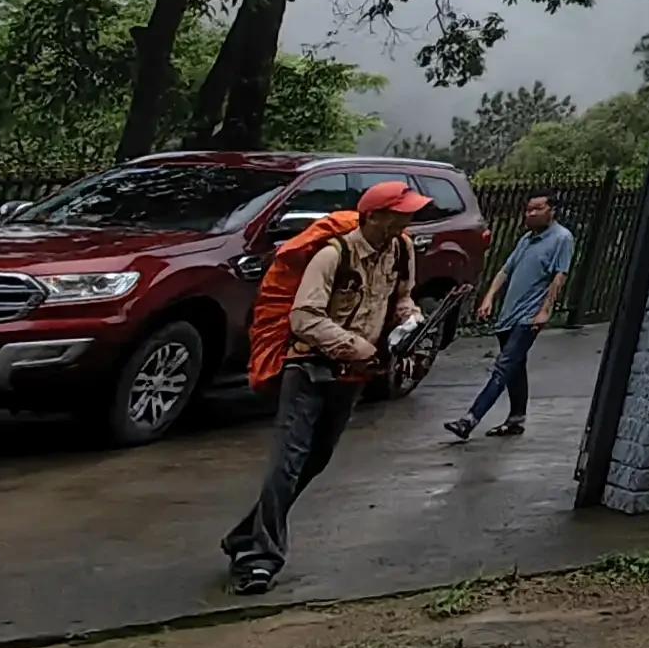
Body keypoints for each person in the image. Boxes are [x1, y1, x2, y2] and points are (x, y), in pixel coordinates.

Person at [221, 178, 428, 594]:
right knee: (288, 462)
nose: (409, 218)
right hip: (309, 369)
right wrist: (356, 346)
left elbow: (402, 296)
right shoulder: (332, 255)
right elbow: (305, 319)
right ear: (376, 216)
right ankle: (260, 559)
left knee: (315, 460)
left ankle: (245, 536)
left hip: (352, 376)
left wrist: (409, 321)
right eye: (401, 212)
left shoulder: (401, 249)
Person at [444, 192, 574, 443]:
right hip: (509, 316)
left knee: (503, 367)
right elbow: (506, 270)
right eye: (528, 210)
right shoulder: (526, 240)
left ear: (552, 211)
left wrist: (545, 310)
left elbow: (560, 276)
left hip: (528, 318)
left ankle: (469, 419)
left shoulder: (562, 239)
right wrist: (489, 297)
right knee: (515, 368)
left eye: (538, 209)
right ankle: (516, 420)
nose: (531, 214)